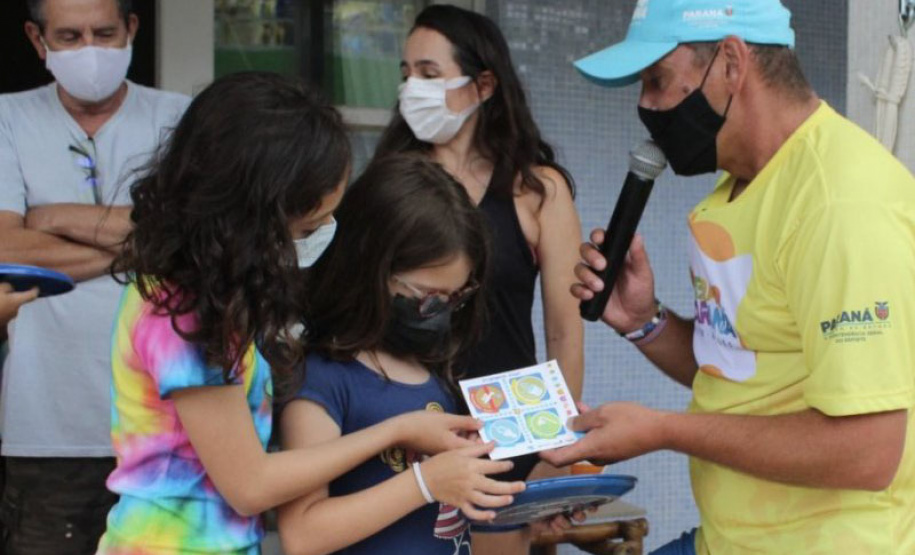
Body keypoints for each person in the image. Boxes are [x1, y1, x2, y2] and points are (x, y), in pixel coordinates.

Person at [542, 1, 915, 554]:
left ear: (732, 63)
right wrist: (645, 322)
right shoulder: (738, 187)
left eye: (657, 80)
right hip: (729, 538)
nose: (646, 107)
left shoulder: (838, 204)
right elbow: (737, 375)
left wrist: (664, 431)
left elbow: (868, 450)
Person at [98, 72, 495, 555]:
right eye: (305, 226)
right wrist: (404, 443)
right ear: (250, 216)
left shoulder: (218, 297)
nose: (323, 234)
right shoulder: (182, 311)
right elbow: (250, 484)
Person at [373, 5, 584, 551]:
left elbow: (564, 331)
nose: (410, 87)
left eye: (428, 72)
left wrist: (552, 451)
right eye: (405, 73)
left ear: (483, 85)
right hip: (406, 425)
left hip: (507, 429)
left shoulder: (539, 190)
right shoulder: (389, 182)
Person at [0, 0, 190, 552]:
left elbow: (193, 238)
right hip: (47, 427)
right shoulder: (8, 116)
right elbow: (6, 244)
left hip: (167, 425)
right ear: (38, 41)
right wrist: (144, 242)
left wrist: (50, 217)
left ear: (132, 30)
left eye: (105, 33)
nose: (90, 49)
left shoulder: (180, 118)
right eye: (70, 36)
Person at [277, 154, 529, 555]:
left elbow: (443, 514)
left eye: (453, 299)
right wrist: (425, 483)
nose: (440, 313)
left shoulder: (432, 371)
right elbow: (302, 534)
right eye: (426, 298)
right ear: (369, 267)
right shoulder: (323, 378)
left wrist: (525, 507)